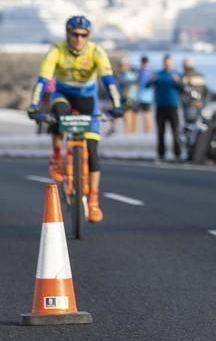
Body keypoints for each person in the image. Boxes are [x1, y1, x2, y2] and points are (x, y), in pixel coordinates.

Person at [26, 15, 123, 223]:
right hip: (64, 95)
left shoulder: (96, 52)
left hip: (88, 99)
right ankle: (56, 157)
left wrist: (118, 105)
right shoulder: (57, 51)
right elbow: (42, 81)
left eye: (83, 35)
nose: (79, 39)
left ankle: (94, 201)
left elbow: (109, 82)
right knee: (58, 115)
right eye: (75, 35)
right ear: (67, 34)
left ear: (88, 36)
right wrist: (33, 106)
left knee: (93, 153)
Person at [147, 54, 182, 161]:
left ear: (172, 64)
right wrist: (152, 80)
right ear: (163, 64)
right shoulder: (159, 74)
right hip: (160, 107)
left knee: (175, 131)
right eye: (166, 64)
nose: (168, 65)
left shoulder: (176, 74)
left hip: (173, 107)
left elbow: (182, 88)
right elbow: (147, 85)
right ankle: (161, 154)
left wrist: (177, 81)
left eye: (169, 64)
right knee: (160, 132)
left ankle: (177, 154)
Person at [180, 58, 208, 159]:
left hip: (190, 106)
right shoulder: (200, 76)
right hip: (200, 105)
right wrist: (202, 102)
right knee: (199, 127)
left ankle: (190, 152)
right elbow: (206, 91)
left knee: (189, 129)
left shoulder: (185, 77)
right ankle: (199, 151)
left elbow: (182, 91)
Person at [115, 57, 139, 134]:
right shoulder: (130, 74)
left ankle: (128, 132)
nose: (121, 67)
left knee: (127, 114)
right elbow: (136, 86)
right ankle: (131, 132)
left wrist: (124, 96)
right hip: (132, 98)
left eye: (122, 66)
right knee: (132, 115)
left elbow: (128, 87)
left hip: (128, 98)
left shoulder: (127, 75)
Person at [136, 55, 155, 133]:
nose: (145, 64)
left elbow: (150, 84)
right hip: (140, 96)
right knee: (138, 115)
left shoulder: (148, 72)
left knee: (147, 115)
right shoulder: (141, 71)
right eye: (144, 63)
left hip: (147, 97)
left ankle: (148, 131)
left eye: (145, 63)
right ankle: (144, 131)